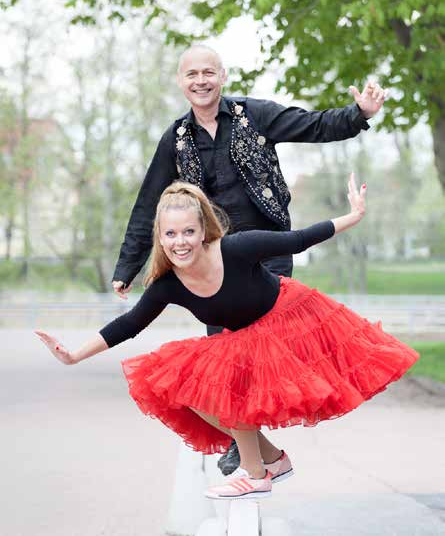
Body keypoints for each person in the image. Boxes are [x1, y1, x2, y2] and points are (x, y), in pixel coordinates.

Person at [36, 174, 419, 501]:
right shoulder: (167, 285)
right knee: (183, 384)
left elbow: (298, 239)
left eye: (189, 231)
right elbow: (129, 324)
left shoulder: (236, 248)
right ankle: (274, 461)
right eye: (171, 234)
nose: (180, 241)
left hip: (287, 319)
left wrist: (353, 216)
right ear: (160, 237)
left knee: (227, 381)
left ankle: (256, 477)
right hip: (245, 337)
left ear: (204, 231)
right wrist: (73, 356)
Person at [111, 44, 388, 474]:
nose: (200, 81)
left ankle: (254, 446)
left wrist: (359, 114)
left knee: (256, 351)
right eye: (191, 75)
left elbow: (311, 125)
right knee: (222, 354)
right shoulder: (176, 139)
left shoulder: (251, 115)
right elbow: (150, 203)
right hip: (211, 264)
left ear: (222, 76)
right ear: (181, 83)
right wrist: (127, 267)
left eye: (208, 72)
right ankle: (256, 451)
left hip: (265, 251)